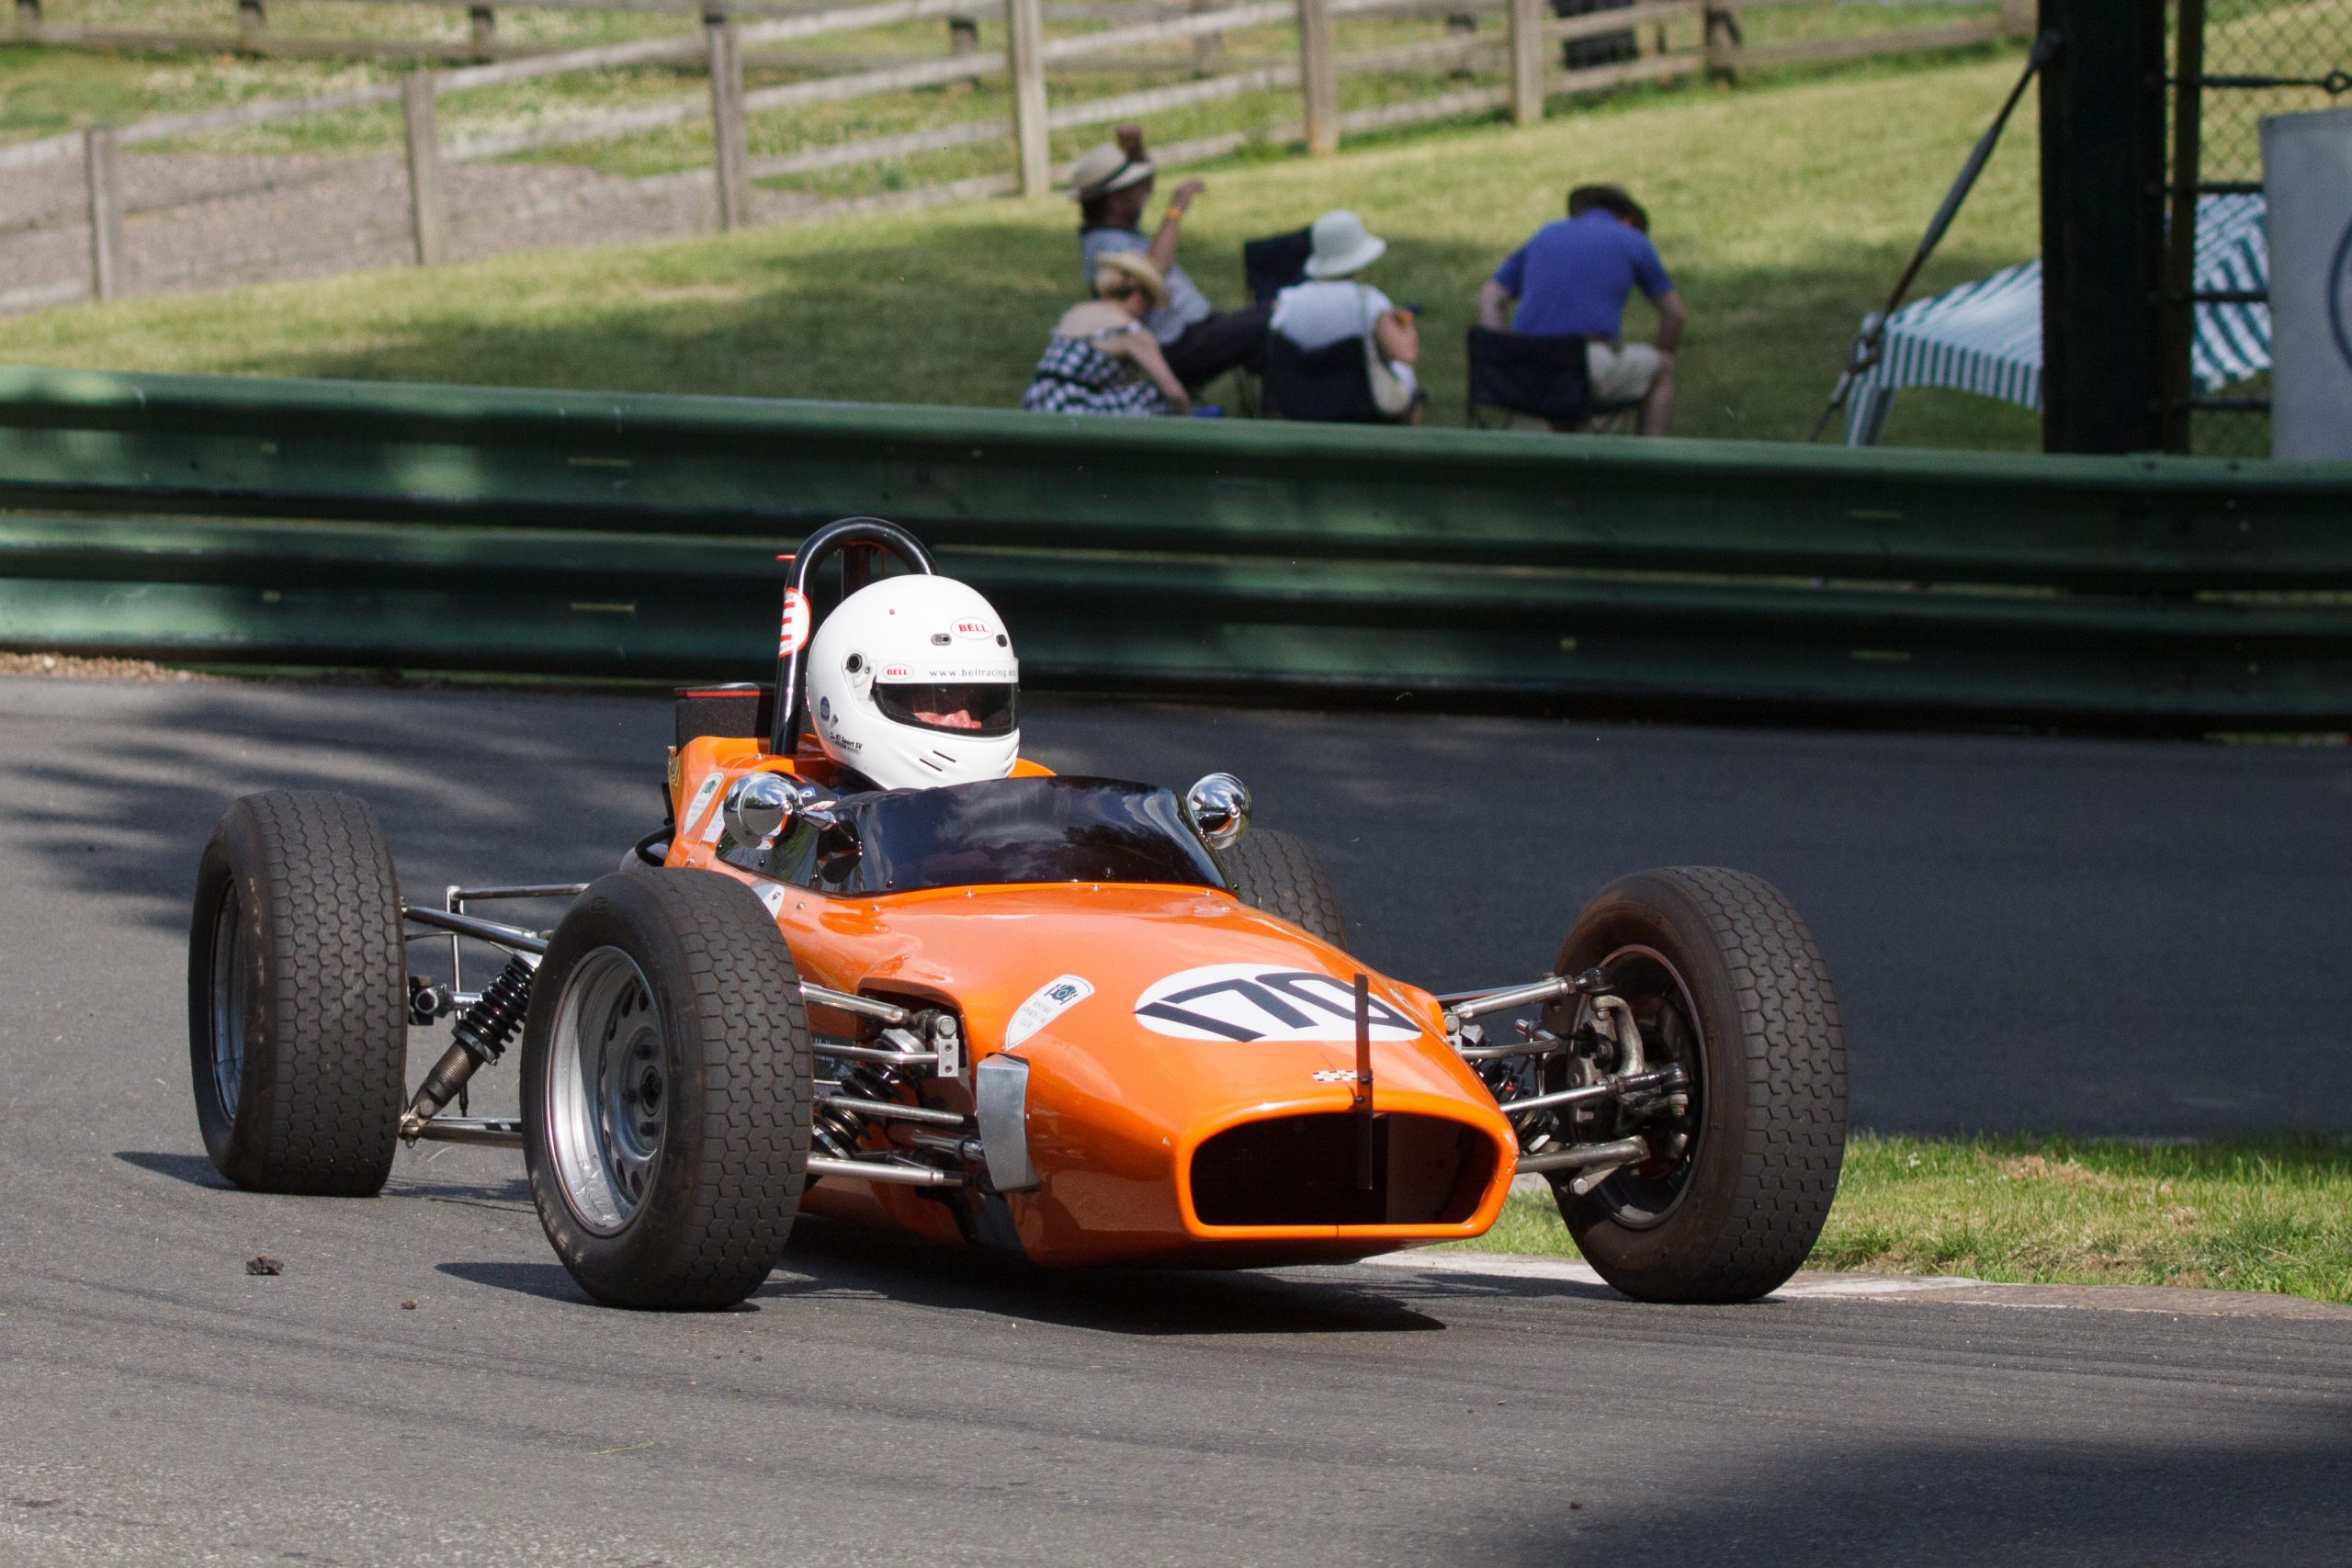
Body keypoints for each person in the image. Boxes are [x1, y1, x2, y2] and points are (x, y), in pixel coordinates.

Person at [1477, 183, 1685, 435]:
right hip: (1583, 364)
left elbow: (1489, 298)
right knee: (1662, 367)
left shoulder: (1545, 235)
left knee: (1580, 389)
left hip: (1525, 368)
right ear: (1627, 218)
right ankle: (1649, 463)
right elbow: (1675, 315)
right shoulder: (1631, 239)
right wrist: (1661, 351)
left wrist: (1504, 351)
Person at [1068, 133, 1270, 391]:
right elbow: (1153, 271)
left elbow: (1142, 186)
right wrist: (1175, 209)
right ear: (1115, 200)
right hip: (1178, 347)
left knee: (1272, 340)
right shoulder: (1105, 248)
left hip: (1198, 330)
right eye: (1134, 188)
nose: (1145, 192)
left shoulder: (1115, 227)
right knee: (1275, 317)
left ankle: (1291, 406)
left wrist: (1136, 150)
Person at [804, 572, 1021, 792]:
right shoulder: (813, 820)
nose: (965, 720)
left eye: (976, 706)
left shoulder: (1031, 799)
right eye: (939, 704)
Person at [1268, 209, 1422, 424]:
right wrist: (1406, 324)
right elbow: (1405, 354)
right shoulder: (1367, 301)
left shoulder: (1288, 301)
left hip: (1302, 405)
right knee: (1405, 376)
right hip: (1359, 405)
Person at [1021, 251, 1193, 417]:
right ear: (1139, 295)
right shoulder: (1129, 329)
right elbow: (1174, 393)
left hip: (1036, 400)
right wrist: (1188, 423)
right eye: (1150, 303)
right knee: (1154, 395)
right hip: (1072, 408)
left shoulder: (1079, 311)